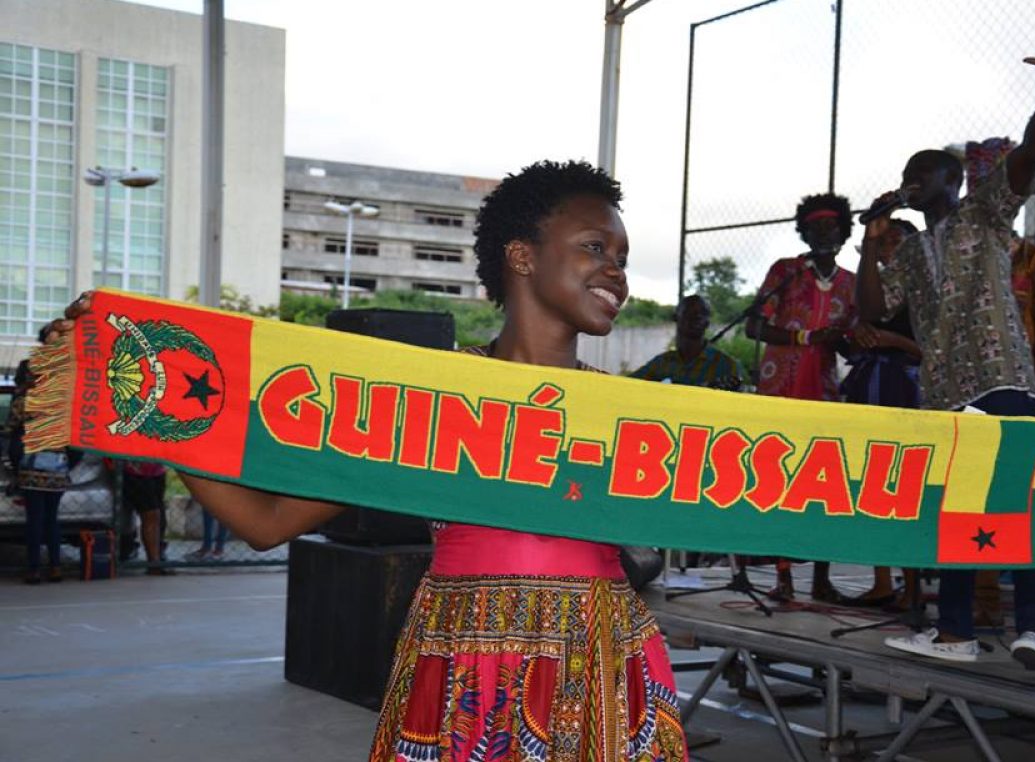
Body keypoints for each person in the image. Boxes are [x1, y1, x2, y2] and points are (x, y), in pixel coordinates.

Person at [51, 160, 687, 761]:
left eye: (623, 258)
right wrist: (147, 408)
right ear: (521, 256)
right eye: (596, 247)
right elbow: (265, 523)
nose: (617, 273)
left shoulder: (630, 415)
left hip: (602, 666)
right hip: (464, 669)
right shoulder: (424, 401)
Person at [856, 6, 1035, 671]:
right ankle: (954, 631)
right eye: (907, 172)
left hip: (1001, 377)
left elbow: (1032, 150)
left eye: (922, 171)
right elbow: (871, 311)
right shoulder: (909, 251)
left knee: (1016, 502)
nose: (911, 179)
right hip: (945, 393)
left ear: (952, 180)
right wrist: (870, 242)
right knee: (958, 514)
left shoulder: (985, 213)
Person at [966, 137, 1035, 629]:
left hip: (1022, 396)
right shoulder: (961, 258)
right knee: (974, 501)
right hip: (970, 397)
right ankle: (982, 602)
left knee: (1026, 502)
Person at [746, 192, 856, 604]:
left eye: (831, 226)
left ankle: (822, 579)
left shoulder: (852, 284)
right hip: (781, 387)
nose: (824, 233)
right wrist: (806, 337)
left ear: (844, 231)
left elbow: (851, 343)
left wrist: (844, 341)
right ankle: (784, 577)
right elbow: (754, 327)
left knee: (823, 482)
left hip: (823, 392)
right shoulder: (786, 271)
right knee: (779, 477)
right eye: (815, 227)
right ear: (804, 234)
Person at [840, 218, 923, 609]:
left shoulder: (923, 291)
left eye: (896, 241)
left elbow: (932, 351)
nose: (889, 248)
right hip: (870, 387)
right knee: (871, 485)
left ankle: (913, 587)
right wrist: (861, 337)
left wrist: (892, 340)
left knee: (908, 488)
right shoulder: (870, 290)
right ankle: (882, 582)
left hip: (907, 392)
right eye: (884, 242)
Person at [8, 325, 69, 584]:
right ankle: (55, 567)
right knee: (52, 519)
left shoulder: (24, 401)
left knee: (34, 520)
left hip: (32, 469)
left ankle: (33, 569)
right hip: (57, 468)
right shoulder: (60, 401)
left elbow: (11, 429)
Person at [630, 293, 746, 390]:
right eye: (689, 311)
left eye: (703, 313)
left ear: (707, 323)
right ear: (675, 317)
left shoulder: (726, 366)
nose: (697, 316)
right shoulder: (662, 363)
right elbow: (628, 386)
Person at [121, 460, 174, 575]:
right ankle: (154, 563)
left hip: (156, 469)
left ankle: (156, 558)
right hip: (136, 470)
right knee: (151, 514)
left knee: (157, 513)